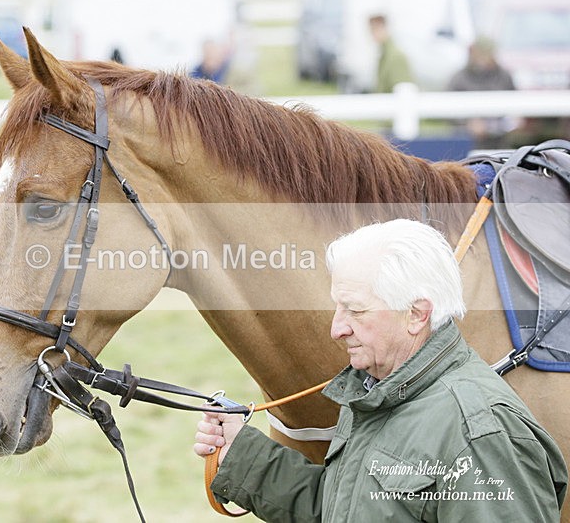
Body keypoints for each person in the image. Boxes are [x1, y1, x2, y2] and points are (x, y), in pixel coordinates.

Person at [194, 219, 567, 521]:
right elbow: (345, 508)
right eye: (338, 308)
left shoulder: (482, 436)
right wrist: (240, 457)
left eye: (355, 310)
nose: (336, 329)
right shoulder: (380, 390)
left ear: (416, 314)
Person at [447, 37, 516, 149]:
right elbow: (448, 109)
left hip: (500, 140)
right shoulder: (459, 78)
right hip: (468, 141)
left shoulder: (504, 76)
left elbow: (515, 102)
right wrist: (468, 123)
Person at [368, 14, 413, 93]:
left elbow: (404, 90)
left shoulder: (395, 56)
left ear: (382, 27)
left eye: (373, 29)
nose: (371, 34)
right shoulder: (385, 54)